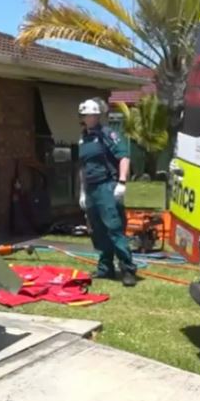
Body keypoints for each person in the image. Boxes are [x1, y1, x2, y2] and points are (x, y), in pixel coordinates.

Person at [77, 99, 138, 287]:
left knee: (114, 228)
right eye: (87, 115)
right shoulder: (83, 139)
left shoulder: (107, 134)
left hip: (107, 186)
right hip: (91, 189)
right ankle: (105, 268)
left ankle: (127, 269)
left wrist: (122, 182)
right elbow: (83, 168)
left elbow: (123, 157)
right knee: (98, 230)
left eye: (93, 115)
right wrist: (82, 192)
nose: (91, 118)